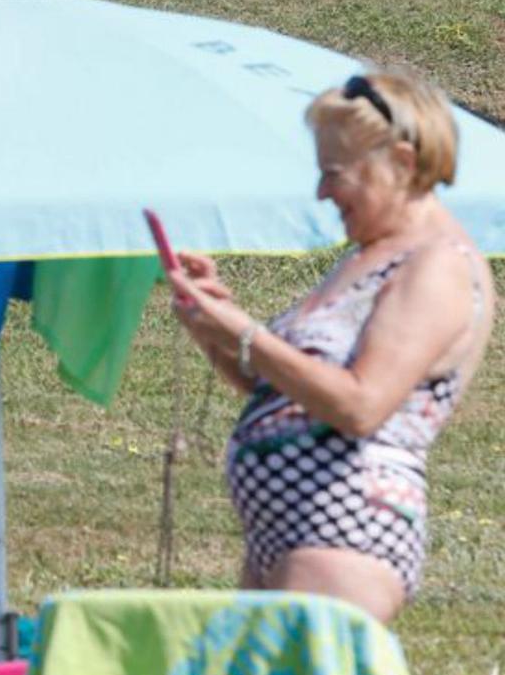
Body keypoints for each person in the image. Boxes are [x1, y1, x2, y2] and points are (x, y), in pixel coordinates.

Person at [166, 71, 494, 624]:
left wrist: (248, 332)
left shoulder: (438, 264)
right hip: (286, 534)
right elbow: (287, 391)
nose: (321, 193)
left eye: (334, 175)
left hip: (344, 533)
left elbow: (361, 405)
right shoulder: (369, 254)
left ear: (403, 163)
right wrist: (215, 332)